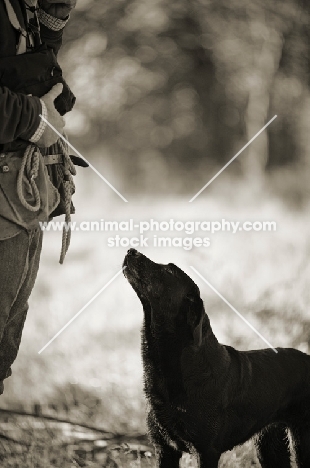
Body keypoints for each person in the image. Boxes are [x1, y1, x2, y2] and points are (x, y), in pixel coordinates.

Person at [0, 0, 77, 395]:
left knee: (2, 347)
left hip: (21, 194)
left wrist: (52, 19)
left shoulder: (26, 8)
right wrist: (35, 119)